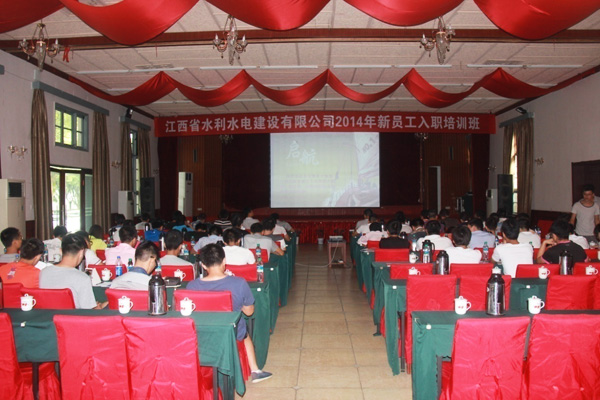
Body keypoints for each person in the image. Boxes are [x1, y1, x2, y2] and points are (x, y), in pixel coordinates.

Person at [187, 244, 272, 383]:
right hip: (231, 332)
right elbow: (249, 312)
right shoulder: (238, 283)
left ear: (203, 265)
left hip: (201, 333)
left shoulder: (192, 286)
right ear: (224, 261)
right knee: (245, 333)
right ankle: (255, 370)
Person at [39, 234, 106, 309]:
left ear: (60, 251)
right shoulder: (82, 278)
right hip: (72, 316)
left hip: (48, 315)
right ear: (81, 253)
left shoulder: (43, 272)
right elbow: (88, 311)